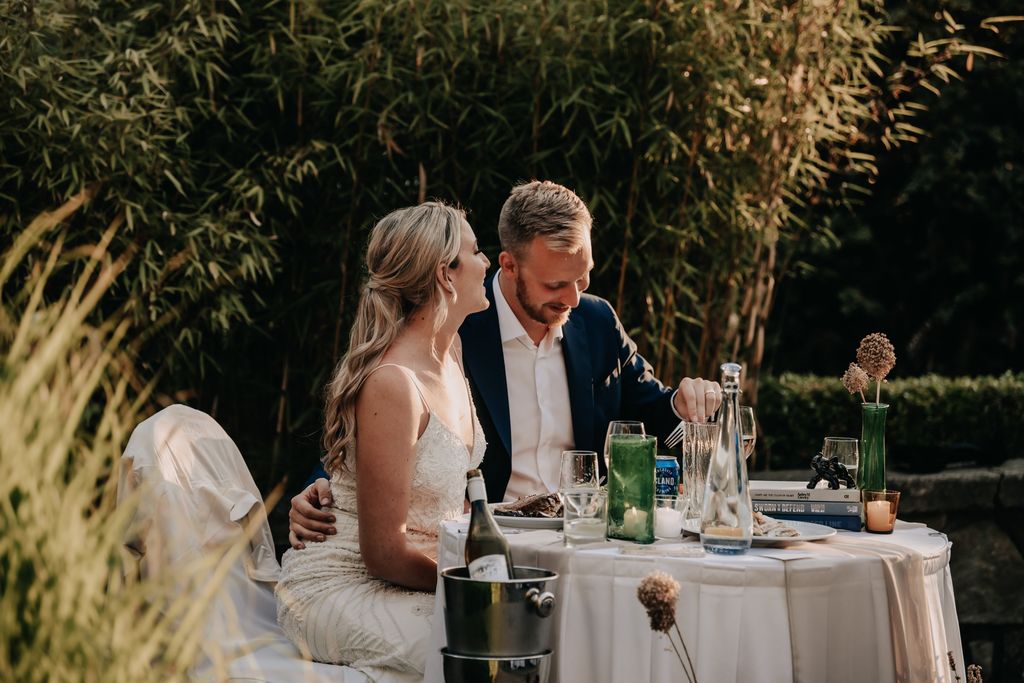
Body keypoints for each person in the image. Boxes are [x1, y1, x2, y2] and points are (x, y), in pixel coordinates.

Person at [289, 181, 721, 546]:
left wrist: (685, 407)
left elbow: (656, 418)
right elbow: (383, 414)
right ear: (509, 266)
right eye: (556, 284)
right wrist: (320, 484)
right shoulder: (455, 328)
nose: (573, 298)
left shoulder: (597, 321)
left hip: (585, 542)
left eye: (582, 277)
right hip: (485, 541)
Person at [275, 202, 490, 683]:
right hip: (341, 583)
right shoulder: (394, 382)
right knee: (471, 653)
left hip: (418, 578)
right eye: (476, 251)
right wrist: (477, 582)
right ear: (445, 275)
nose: (487, 261)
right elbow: (383, 553)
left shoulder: (451, 355)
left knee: (517, 635)